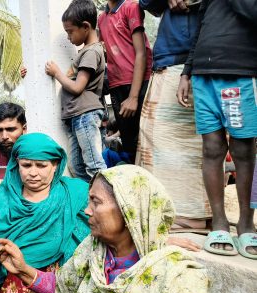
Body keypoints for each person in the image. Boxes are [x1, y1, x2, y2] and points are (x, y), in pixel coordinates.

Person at [0, 165, 208, 293]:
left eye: (96, 202)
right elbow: (64, 289)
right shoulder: (92, 251)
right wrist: (23, 270)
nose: (86, 211)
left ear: (128, 210)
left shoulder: (177, 276)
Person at [177, 0, 257, 258]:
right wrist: (187, 71)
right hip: (203, 73)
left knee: (243, 149)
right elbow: (200, 28)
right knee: (211, 148)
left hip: (239, 71)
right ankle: (220, 222)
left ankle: (246, 223)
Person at [0, 133, 90, 293]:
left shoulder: (75, 195)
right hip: (12, 288)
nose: (32, 172)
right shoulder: (5, 199)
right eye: (26, 165)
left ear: (56, 165)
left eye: (41, 166)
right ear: (17, 164)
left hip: (58, 288)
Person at [136, 0, 211, 230]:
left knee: (201, 144)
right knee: (158, 140)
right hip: (171, 58)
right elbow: (148, 3)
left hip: (204, 55)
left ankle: (191, 215)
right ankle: (179, 211)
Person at [45, 0, 107, 182]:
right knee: (76, 166)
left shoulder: (91, 52)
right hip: (77, 117)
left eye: (70, 31)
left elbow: (78, 87)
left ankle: (106, 201)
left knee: (94, 164)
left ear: (86, 27)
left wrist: (57, 73)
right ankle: (90, 198)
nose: (68, 37)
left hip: (85, 115)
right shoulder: (85, 51)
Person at [98, 0, 153, 163]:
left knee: (145, 140)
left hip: (139, 83)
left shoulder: (131, 7)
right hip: (117, 85)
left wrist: (134, 97)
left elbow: (141, 53)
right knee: (130, 144)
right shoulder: (102, 18)